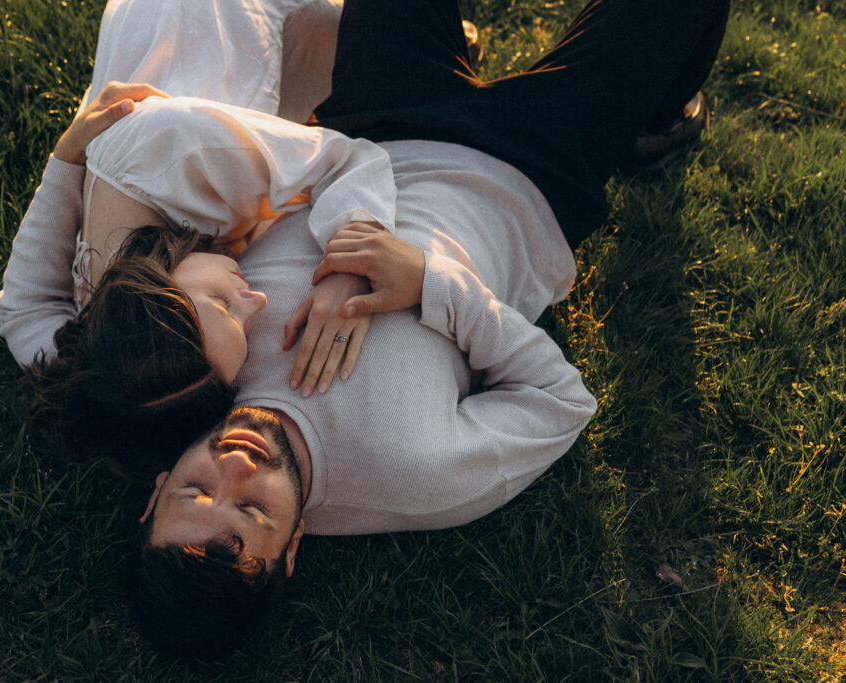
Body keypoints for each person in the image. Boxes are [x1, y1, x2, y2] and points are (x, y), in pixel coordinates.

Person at [127, 0, 730, 658]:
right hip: (526, 171)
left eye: (195, 488)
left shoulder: (175, 383)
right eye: (251, 510)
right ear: (293, 546)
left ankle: (452, 49)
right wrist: (429, 283)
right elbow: (560, 402)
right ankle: (655, 123)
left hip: (373, 121)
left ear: (156, 490)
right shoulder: (416, 471)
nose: (234, 464)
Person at [0, 0, 402, 479]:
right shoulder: (110, 345)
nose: (258, 300)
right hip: (202, 82)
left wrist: (351, 268)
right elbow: (23, 315)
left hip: (212, 20)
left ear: (159, 284)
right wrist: (68, 154)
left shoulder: (183, 147)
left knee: (383, 51)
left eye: (224, 304)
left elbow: (350, 161)